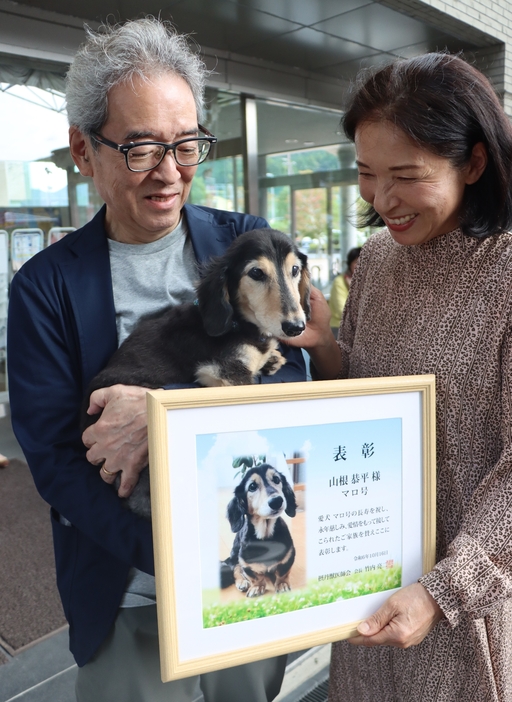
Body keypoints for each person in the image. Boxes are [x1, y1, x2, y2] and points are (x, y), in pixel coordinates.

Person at [7, 18, 306, 702]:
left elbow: (295, 376)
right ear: (83, 151)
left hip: (251, 573)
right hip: (130, 588)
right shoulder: (47, 287)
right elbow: (55, 461)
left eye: (186, 144)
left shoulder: (243, 243)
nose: (170, 172)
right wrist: (169, 562)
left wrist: (166, 411)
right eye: (140, 148)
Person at [287, 52, 512, 700]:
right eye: (366, 174)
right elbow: (365, 389)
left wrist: (443, 592)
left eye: (406, 176)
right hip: (372, 580)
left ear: (472, 163)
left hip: (471, 604)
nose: (383, 200)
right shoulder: (382, 259)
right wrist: (328, 347)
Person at [328, 246, 361, 334]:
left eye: (364, 262)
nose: (360, 266)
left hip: (360, 329)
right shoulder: (339, 282)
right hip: (340, 328)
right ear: (349, 264)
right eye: (356, 262)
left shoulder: (369, 282)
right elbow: (342, 312)